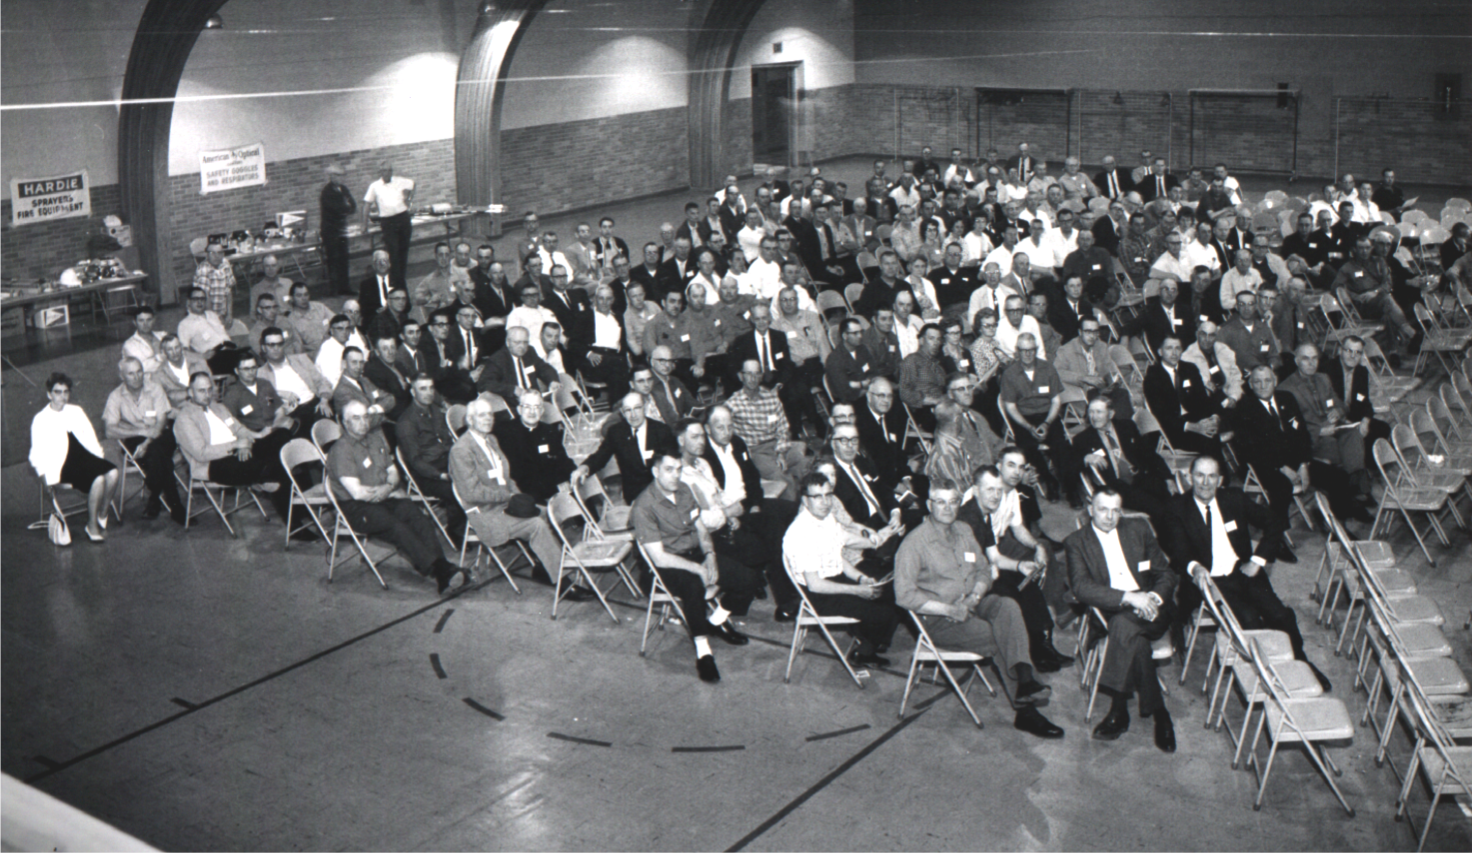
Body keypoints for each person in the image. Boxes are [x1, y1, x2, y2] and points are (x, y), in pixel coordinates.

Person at [894, 478, 1064, 739]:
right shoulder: (913, 543)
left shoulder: (963, 529)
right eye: (940, 502)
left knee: (1008, 606)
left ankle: (1025, 679)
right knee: (999, 634)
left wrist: (975, 595)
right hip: (940, 619)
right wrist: (948, 610)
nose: (948, 508)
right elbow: (904, 595)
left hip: (972, 601)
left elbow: (984, 569)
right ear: (929, 505)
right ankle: (1026, 711)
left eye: (953, 502)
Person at [1165, 455, 1331, 691]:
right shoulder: (1176, 508)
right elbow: (1178, 550)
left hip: (1243, 572)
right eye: (1199, 475)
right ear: (1189, 477)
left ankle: (1300, 662)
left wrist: (1258, 559)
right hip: (1210, 581)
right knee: (1251, 621)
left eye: (1211, 476)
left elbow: (1274, 522)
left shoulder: (1234, 498)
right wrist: (1196, 568)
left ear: (1220, 479)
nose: (1205, 482)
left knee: (1281, 616)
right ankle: (1270, 676)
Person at [1063, 489, 1177, 751]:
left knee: (1124, 629)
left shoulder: (1138, 529)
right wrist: (1128, 597)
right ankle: (1159, 712)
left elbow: (1165, 573)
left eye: (1116, 510)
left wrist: (1153, 598)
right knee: (1128, 632)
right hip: (1110, 610)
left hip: (1152, 608)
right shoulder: (1076, 542)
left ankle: (1119, 710)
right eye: (1103, 509)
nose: (1110, 516)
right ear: (1091, 509)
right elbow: (1081, 587)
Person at [631, 451, 755, 682]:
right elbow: (658, 558)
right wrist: (698, 569)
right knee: (693, 587)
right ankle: (703, 652)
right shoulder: (643, 507)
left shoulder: (685, 490)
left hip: (694, 553)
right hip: (665, 566)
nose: (675, 475)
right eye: (669, 470)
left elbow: (700, 528)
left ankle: (716, 622)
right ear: (656, 472)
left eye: (678, 469)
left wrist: (709, 556)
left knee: (748, 578)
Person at [330, 400, 469, 594]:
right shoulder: (341, 450)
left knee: (419, 517)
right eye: (356, 418)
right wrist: (388, 489)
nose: (363, 422)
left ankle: (443, 571)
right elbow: (358, 493)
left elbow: (393, 472)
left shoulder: (375, 439)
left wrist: (387, 488)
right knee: (397, 527)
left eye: (365, 417)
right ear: (345, 423)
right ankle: (442, 571)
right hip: (357, 507)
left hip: (384, 496)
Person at [956, 463, 1073, 669]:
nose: (995, 495)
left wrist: (1020, 566)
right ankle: (1035, 652)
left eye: (999, 490)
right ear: (975, 490)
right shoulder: (968, 518)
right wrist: (992, 570)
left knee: (1026, 582)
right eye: (989, 489)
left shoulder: (984, 514)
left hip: (986, 572)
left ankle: (1043, 645)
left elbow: (995, 556)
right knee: (1013, 591)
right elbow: (968, 565)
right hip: (969, 584)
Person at [1233, 365, 1371, 535]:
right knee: (1282, 488)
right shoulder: (1244, 408)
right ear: (1251, 384)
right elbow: (1252, 449)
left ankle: (1336, 525)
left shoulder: (1286, 398)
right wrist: (1282, 468)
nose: (1263, 386)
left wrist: (1304, 464)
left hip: (1296, 460)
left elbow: (1302, 435)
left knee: (1338, 477)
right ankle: (1276, 537)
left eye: (1267, 380)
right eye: (1257, 382)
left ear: (1275, 381)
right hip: (1267, 465)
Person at [450, 398, 571, 589]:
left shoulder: (491, 439)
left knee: (549, 512)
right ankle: (562, 581)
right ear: (470, 420)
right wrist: (509, 497)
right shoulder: (461, 450)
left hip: (505, 504)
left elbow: (507, 478)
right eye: (482, 415)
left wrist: (518, 497)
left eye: (490, 414)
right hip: (486, 513)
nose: (488, 419)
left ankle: (544, 567)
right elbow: (471, 492)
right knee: (537, 524)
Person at [784, 473, 898, 666]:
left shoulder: (826, 519)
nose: (825, 502)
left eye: (828, 495)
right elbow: (815, 585)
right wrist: (857, 590)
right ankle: (865, 650)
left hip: (834, 580)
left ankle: (867, 642)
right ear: (805, 500)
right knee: (884, 612)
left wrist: (861, 578)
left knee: (893, 595)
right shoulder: (802, 533)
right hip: (819, 596)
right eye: (817, 497)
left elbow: (839, 557)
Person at [173, 371, 290, 522]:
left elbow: (239, 429)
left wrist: (250, 441)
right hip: (213, 464)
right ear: (190, 392)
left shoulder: (218, 407)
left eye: (210, 389)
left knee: (282, 436)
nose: (207, 394)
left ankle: (265, 480)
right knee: (274, 467)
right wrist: (236, 445)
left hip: (240, 450)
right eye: (201, 391)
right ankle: (292, 520)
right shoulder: (185, 418)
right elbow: (201, 453)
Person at [31, 372, 120, 541]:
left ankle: (102, 513)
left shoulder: (76, 411)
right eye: (58, 392)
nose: (63, 396)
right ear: (49, 394)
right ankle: (91, 526)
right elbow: (36, 454)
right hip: (61, 465)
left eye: (66, 392)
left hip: (84, 458)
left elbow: (92, 439)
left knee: (113, 472)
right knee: (99, 479)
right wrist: (45, 479)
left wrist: (99, 460)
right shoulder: (40, 419)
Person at [103, 356, 184, 522]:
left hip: (162, 434)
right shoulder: (115, 396)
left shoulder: (154, 389)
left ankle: (155, 494)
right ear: (122, 376)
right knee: (161, 459)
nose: (137, 377)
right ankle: (172, 504)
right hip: (135, 439)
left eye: (139, 371)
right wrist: (140, 431)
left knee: (156, 450)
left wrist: (146, 442)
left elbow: (161, 423)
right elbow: (109, 431)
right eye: (131, 373)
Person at [1072, 395, 1171, 530]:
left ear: (1111, 414)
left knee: (1172, 499)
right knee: (1157, 508)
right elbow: (1067, 468)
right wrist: (1085, 459)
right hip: (1116, 487)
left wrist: (1168, 478)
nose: (1093, 417)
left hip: (1139, 476)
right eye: (1091, 412)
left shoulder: (1127, 426)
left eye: (1099, 412)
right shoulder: (1082, 439)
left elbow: (1149, 453)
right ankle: (1166, 544)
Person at [1277, 344, 1368, 487]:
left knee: (1354, 435)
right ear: (1297, 361)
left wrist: (1338, 411)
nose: (1311, 363)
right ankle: (1359, 488)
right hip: (1313, 437)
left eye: (1314, 358)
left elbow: (1341, 404)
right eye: (1306, 359)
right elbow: (1290, 424)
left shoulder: (1323, 378)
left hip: (1335, 428)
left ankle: (1354, 486)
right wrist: (1319, 431)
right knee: (1350, 451)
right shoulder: (1285, 389)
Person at [395, 374, 467, 544]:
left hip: (444, 460)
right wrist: (441, 475)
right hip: (426, 473)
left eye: (431, 388)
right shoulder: (406, 423)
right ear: (413, 392)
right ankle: (456, 531)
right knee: (455, 488)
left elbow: (447, 441)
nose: (428, 393)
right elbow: (416, 462)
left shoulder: (434, 410)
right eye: (422, 389)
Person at [998, 332, 1068, 497]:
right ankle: (1048, 479)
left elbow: (1056, 401)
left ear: (1036, 350)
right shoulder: (1010, 374)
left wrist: (1047, 423)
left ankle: (1069, 487)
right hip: (1024, 417)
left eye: (1031, 350)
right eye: (1023, 350)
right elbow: (1011, 407)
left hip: (1047, 415)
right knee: (1028, 448)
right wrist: (1029, 427)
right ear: (1017, 351)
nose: (1027, 354)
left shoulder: (1048, 368)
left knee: (1062, 446)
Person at [574, 392, 674, 503]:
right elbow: (600, 456)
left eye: (637, 408)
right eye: (628, 410)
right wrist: (585, 467)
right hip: (636, 495)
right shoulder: (616, 432)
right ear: (622, 413)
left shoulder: (662, 430)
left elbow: (671, 464)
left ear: (645, 408)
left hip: (662, 490)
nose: (633, 415)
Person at [1142, 336, 1222, 457]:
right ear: (1160, 352)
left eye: (1178, 348)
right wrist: (1193, 427)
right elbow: (1161, 415)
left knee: (1233, 426)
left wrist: (1213, 418)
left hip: (1194, 418)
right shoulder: (1152, 378)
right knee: (1209, 440)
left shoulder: (1190, 369)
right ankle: (1220, 474)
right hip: (1174, 428)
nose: (1174, 353)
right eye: (1169, 348)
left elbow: (1203, 399)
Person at [492, 388, 576, 503]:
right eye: (527, 407)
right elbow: (518, 472)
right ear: (520, 409)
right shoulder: (506, 432)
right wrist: (555, 485)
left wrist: (567, 478)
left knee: (577, 488)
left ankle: (589, 520)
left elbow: (562, 459)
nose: (532, 412)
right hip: (523, 488)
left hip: (546, 483)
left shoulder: (549, 430)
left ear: (542, 411)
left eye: (536, 407)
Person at [257, 326, 334, 428]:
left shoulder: (301, 359)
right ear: (264, 347)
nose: (276, 348)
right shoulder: (261, 373)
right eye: (271, 345)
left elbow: (322, 382)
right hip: (293, 414)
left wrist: (324, 401)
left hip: (316, 404)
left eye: (279, 344)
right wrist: (278, 394)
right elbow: (264, 401)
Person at [222, 349, 297, 438]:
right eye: (246, 369)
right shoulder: (232, 394)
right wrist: (258, 435)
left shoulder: (265, 384)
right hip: (256, 435)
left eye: (254, 367)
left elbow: (278, 409)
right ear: (237, 371)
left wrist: (275, 424)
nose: (251, 372)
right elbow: (229, 423)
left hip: (276, 428)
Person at [363, 162, 415, 285]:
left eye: (390, 170)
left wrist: (408, 199)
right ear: (380, 172)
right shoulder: (374, 186)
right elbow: (366, 205)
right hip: (388, 222)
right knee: (393, 252)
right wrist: (364, 224)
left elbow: (413, 185)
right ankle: (395, 281)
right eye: (385, 171)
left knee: (403, 250)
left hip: (403, 219)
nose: (388, 173)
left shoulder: (399, 181)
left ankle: (401, 279)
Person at [177, 286, 237, 374]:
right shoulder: (185, 324)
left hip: (230, 351)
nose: (199, 302)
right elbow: (183, 351)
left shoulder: (212, 315)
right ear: (189, 302)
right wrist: (201, 356)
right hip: (214, 359)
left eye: (202, 299)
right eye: (196, 299)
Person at [320, 164, 357, 295]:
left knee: (344, 258)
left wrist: (345, 208)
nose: (339, 178)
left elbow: (353, 206)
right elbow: (336, 209)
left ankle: (345, 287)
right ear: (331, 177)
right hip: (330, 231)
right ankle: (334, 289)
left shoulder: (344, 189)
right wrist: (345, 207)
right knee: (333, 259)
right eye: (336, 176)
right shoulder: (327, 192)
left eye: (341, 176)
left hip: (341, 229)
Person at [824, 317, 877, 404]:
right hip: (853, 402)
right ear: (845, 336)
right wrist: (866, 387)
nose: (860, 336)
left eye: (861, 332)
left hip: (870, 394)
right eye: (855, 333)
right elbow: (844, 391)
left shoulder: (863, 350)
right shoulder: (834, 359)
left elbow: (874, 371)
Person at [155, 333, 209, 407]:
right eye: (170, 349)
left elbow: (212, 386)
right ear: (164, 352)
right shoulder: (160, 374)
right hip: (181, 412)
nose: (174, 352)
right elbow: (163, 404)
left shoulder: (198, 361)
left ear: (181, 346)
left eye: (177, 347)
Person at [284, 282, 335, 356]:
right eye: (299, 296)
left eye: (306, 294)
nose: (303, 299)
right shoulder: (291, 320)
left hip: (332, 346)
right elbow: (298, 346)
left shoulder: (320, 307)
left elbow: (336, 321)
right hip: (314, 353)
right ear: (292, 298)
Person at [192, 242, 238, 323]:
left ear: (223, 254)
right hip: (205, 314)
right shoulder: (203, 270)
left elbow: (229, 291)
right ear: (207, 255)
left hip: (222, 313)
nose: (216, 256)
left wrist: (229, 314)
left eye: (220, 253)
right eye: (212, 253)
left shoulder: (225, 264)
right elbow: (205, 298)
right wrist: (214, 319)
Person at [121, 304, 166, 375]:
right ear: (135, 322)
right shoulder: (130, 344)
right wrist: (159, 356)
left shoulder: (163, 335)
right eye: (141, 320)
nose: (145, 324)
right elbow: (141, 367)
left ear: (154, 320)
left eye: (149, 320)